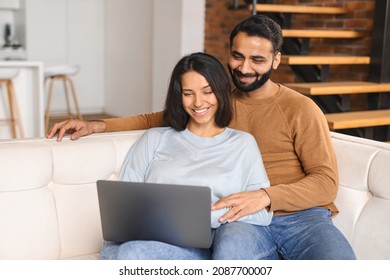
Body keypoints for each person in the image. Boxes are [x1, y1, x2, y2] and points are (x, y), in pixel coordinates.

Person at [48, 15, 356, 260]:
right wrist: (97, 126)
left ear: (276, 60)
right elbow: (156, 119)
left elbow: (325, 181)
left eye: (257, 60)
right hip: (238, 219)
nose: (244, 68)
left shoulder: (301, 109)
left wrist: (265, 196)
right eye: (238, 56)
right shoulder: (215, 101)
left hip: (297, 217)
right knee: (232, 247)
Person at [100, 52, 272, 260]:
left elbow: (262, 213)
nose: (198, 103)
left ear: (221, 92)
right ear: (179, 96)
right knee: (130, 252)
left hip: (209, 245)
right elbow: (124, 205)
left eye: (207, 92)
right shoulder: (154, 139)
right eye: (188, 93)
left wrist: (204, 217)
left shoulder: (243, 144)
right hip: (156, 242)